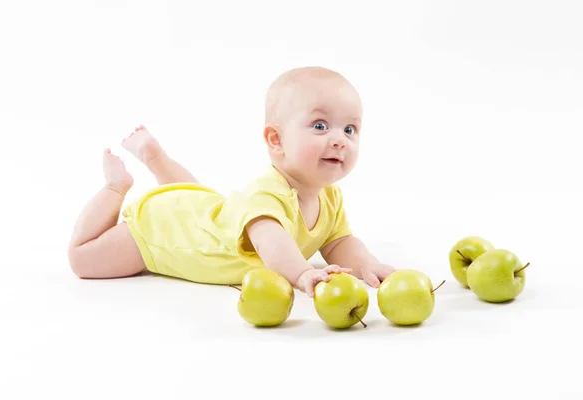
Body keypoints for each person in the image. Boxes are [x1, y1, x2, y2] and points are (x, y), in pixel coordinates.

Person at [67, 66, 396, 297]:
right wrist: (303, 273)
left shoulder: (330, 199)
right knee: (82, 259)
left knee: (200, 202)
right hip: (162, 232)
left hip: (206, 214)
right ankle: (115, 186)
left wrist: (369, 264)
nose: (340, 140)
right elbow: (272, 242)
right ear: (276, 140)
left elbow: (339, 243)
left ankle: (156, 158)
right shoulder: (267, 194)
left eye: (350, 129)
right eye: (321, 126)